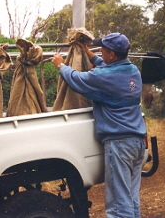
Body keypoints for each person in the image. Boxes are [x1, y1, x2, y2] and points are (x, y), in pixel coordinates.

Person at [51, 32, 147, 218]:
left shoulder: (104, 77)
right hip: (137, 143)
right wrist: (87, 51)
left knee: (119, 204)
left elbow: (78, 79)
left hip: (119, 145)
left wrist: (60, 65)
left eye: (103, 50)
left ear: (111, 54)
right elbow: (104, 67)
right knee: (130, 198)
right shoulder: (132, 71)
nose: (100, 53)